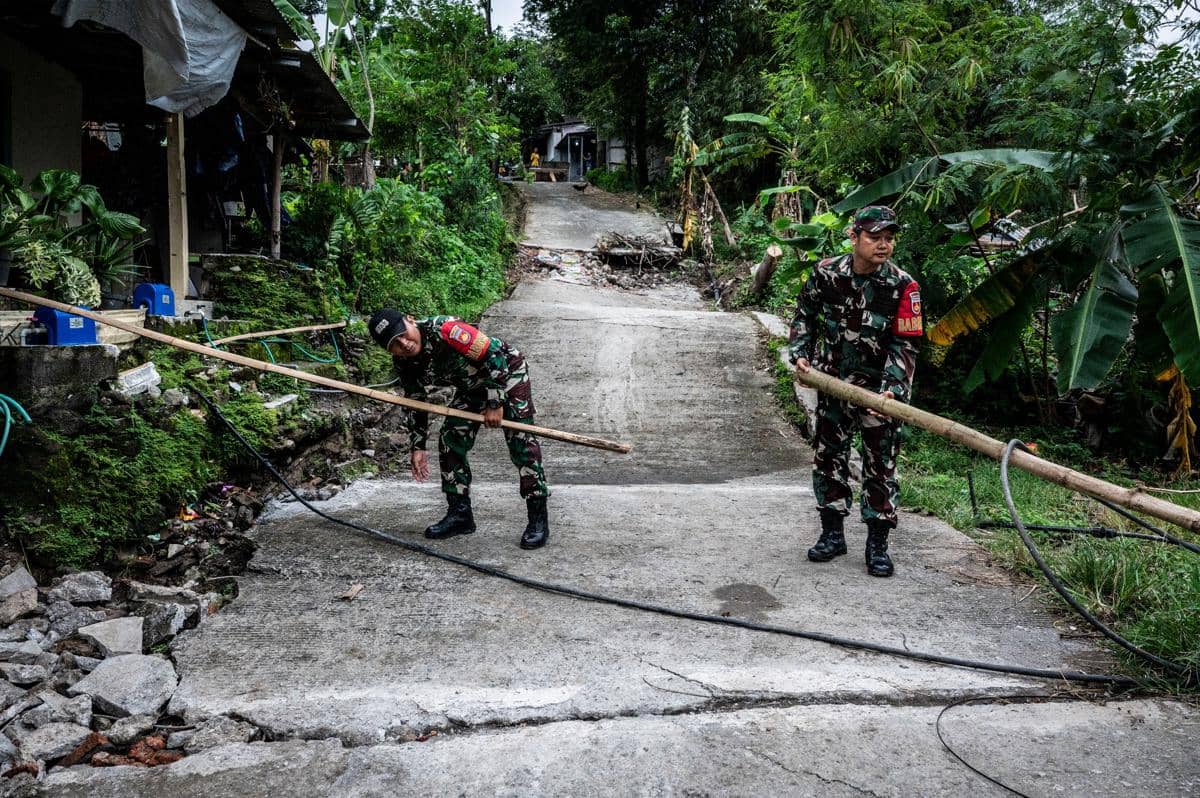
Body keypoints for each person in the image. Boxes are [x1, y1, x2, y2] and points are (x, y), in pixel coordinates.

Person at [788, 206, 923, 577]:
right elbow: (804, 314)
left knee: (881, 466)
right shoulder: (826, 273)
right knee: (829, 457)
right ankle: (832, 534)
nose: (883, 245)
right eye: (875, 237)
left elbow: (906, 343)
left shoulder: (902, 285)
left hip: (879, 394)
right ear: (854, 237)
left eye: (889, 238)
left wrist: (892, 391)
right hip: (833, 383)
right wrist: (801, 354)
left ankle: (877, 544)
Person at [367, 309, 551, 549]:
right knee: (450, 439)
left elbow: (494, 355)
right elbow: (416, 401)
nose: (404, 344)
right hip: (471, 386)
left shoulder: (446, 330)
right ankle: (460, 515)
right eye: (394, 344)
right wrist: (418, 446)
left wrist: (495, 403)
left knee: (521, 442)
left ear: (410, 320)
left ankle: (538, 519)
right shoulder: (404, 362)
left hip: (507, 373)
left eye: (403, 334)